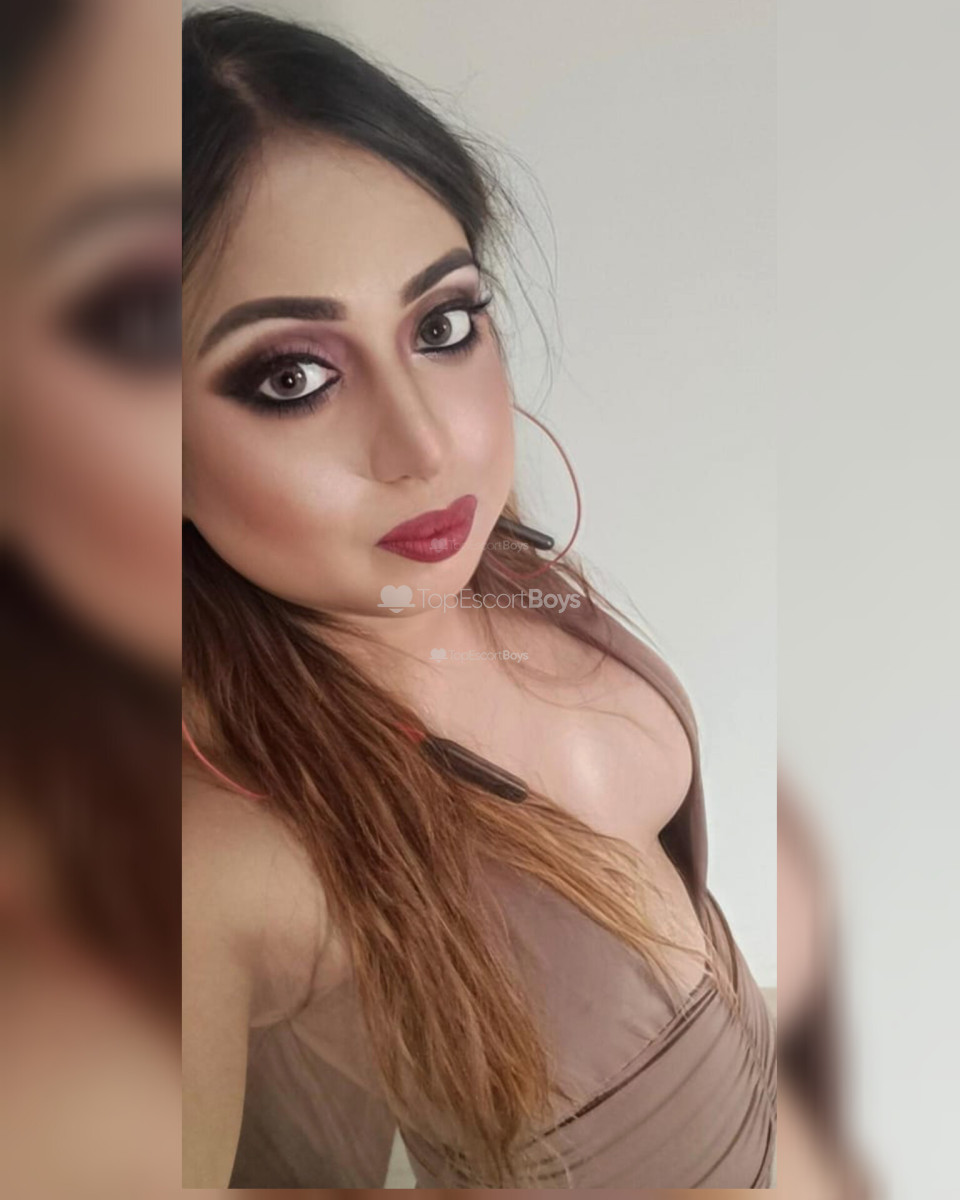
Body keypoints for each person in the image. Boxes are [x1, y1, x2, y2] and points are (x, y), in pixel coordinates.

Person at [181, 8, 775, 1188]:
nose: (424, 447)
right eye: (292, 377)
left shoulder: (498, 578)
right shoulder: (214, 848)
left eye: (443, 324)